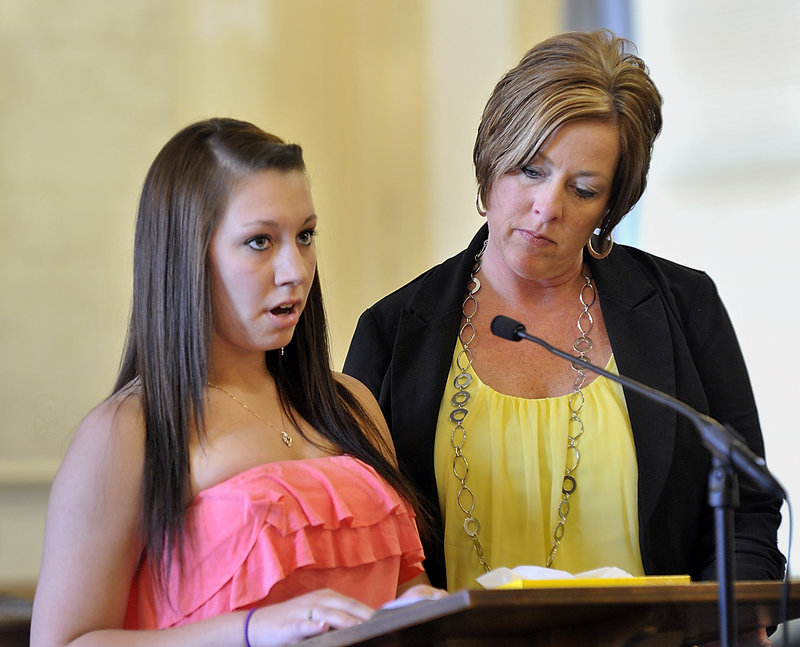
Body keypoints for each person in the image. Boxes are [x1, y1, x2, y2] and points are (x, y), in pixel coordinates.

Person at [344, 26, 783, 614]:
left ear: (611, 207)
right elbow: (364, 540)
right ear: (491, 164)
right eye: (530, 170)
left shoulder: (684, 305)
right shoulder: (393, 333)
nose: (548, 207)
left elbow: (748, 505)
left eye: (582, 189)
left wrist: (742, 619)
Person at [31, 118, 443, 647]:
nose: (295, 269)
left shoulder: (350, 403)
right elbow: (64, 643)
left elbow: (405, 586)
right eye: (260, 241)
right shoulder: (130, 430)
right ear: (187, 256)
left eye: (305, 235)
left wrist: (411, 609)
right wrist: (250, 630)